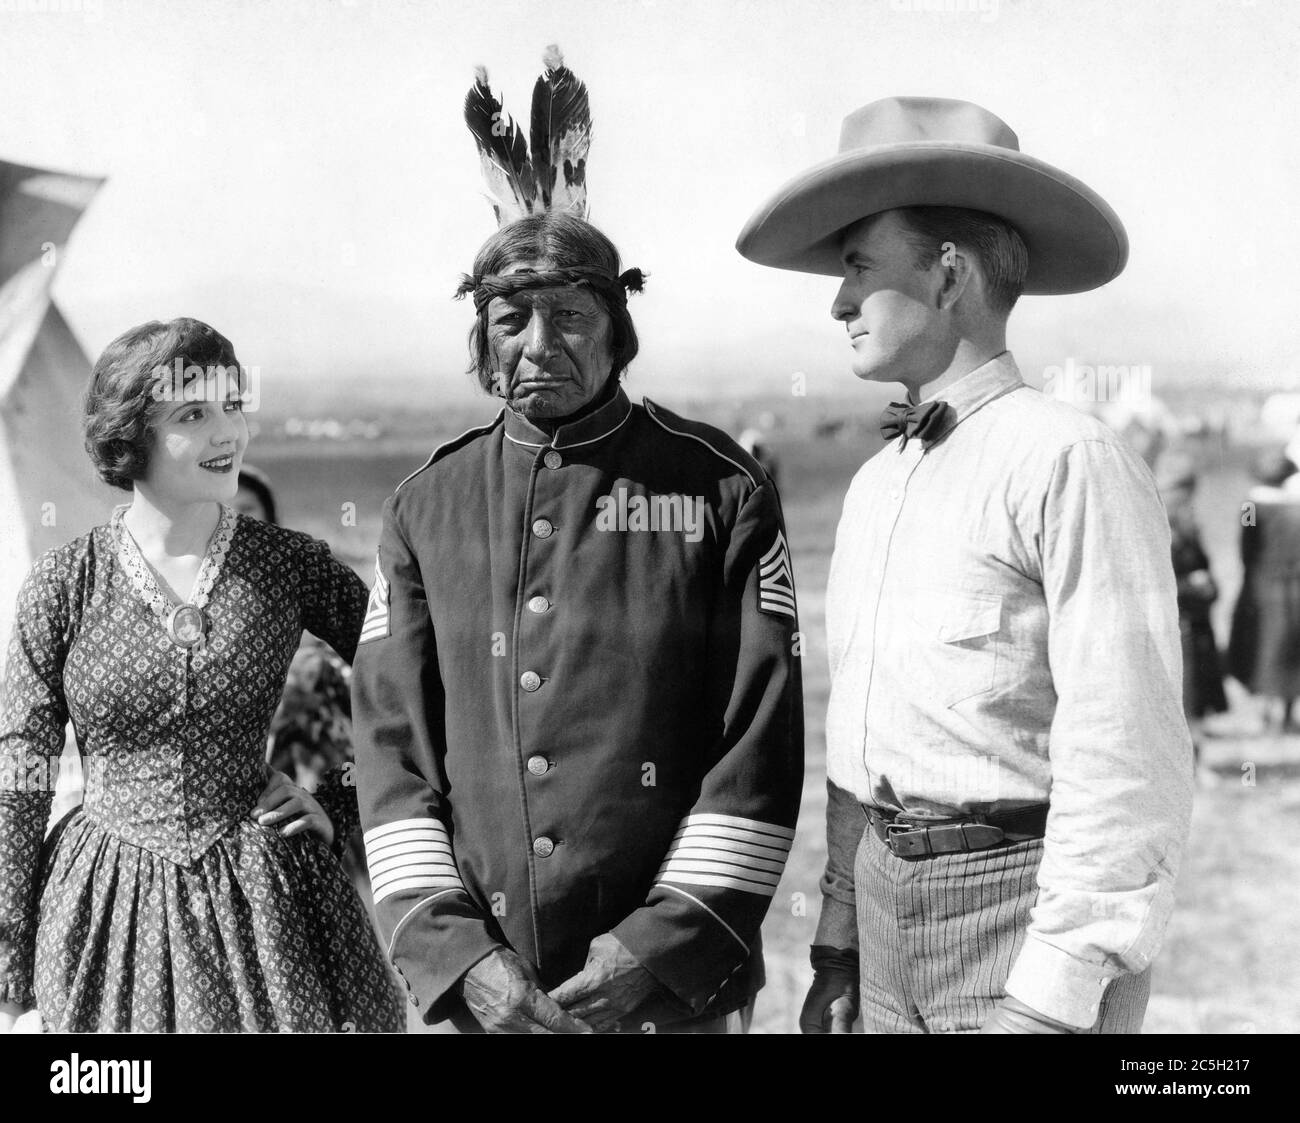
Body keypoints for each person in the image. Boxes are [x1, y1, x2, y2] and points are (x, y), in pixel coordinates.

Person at [738, 96, 1193, 1034]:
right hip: (882, 915)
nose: (837, 301)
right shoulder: (875, 486)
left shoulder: (1072, 462)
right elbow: (863, 746)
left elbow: (1129, 756)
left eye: (858, 266)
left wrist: (1054, 996)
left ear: (948, 279)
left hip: (1017, 922)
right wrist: (837, 946)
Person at [350, 206, 804, 1033]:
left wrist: (658, 949)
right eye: (510, 319)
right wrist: (458, 956)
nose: (538, 343)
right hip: (485, 1004)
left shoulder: (718, 490)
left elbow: (759, 743)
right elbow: (390, 752)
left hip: (670, 1001)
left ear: (617, 332)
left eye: (569, 316)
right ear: (482, 342)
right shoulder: (427, 507)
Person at [0, 318, 404, 1032]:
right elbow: (18, 772)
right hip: (102, 913)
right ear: (132, 435)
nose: (229, 434)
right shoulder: (63, 585)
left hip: (270, 912)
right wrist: (8, 963)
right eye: (194, 413)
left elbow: (410, 684)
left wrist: (343, 812)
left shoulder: (288, 563)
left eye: (233, 406)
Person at [1157, 452, 1227, 768]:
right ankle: (1185, 767)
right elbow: (1154, 586)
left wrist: (1209, 587)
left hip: (1198, 624)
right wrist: (1190, 585)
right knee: (1182, 700)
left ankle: (1196, 762)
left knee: (1199, 700)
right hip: (1176, 628)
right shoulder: (1156, 531)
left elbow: (1206, 568)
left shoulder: (1190, 528)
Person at [1227, 449, 1300, 731]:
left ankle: (1265, 710)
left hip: (1262, 585)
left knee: (1262, 644)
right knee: (1292, 646)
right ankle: (1288, 711)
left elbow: (1246, 549)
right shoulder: (1296, 508)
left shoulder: (1251, 508)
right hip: (1295, 585)